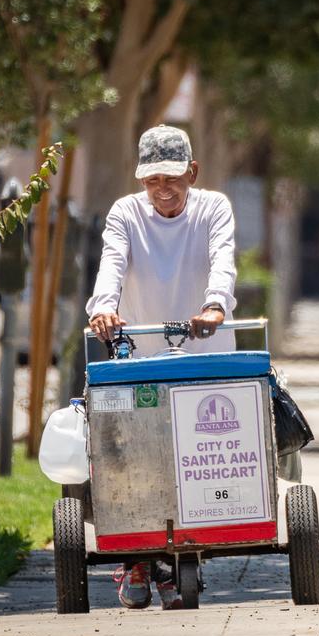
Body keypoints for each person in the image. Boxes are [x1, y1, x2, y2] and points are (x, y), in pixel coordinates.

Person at [86, 124, 237, 610]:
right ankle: (137, 559)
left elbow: (223, 259)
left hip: (203, 358)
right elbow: (112, 263)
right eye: (152, 180)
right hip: (141, 358)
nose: (163, 189)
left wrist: (215, 306)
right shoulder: (125, 213)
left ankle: (176, 559)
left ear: (193, 172)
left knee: (194, 462)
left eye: (172, 177)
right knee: (134, 461)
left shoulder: (213, 208)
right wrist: (103, 308)